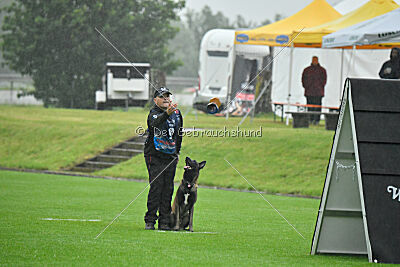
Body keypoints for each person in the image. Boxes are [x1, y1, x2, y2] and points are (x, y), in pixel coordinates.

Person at [144, 87, 183, 230]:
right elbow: (155, 125)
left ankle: (164, 221)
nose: (166, 98)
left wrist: (177, 153)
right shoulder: (154, 113)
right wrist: (167, 113)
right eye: (162, 96)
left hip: (170, 156)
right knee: (156, 186)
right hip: (154, 155)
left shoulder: (177, 114)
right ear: (155, 100)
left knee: (168, 188)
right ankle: (150, 220)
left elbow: (179, 134)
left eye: (167, 96)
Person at [301, 56, 327, 125]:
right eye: (313, 60)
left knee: (318, 107)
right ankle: (310, 119)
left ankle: (317, 120)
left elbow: (324, 80)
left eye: (316, 60)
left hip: (319, 92)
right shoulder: (307, 70)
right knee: (310, 106)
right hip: (309, 92)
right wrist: (307, 86)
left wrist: (320, 86)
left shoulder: (322, 70)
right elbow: (303, 80)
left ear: (318, 61)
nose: (314, 61)